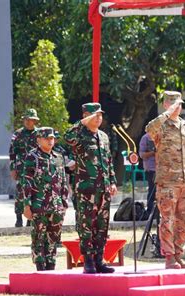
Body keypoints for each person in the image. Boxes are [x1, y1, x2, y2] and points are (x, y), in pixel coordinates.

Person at [64, 102, 117, 274]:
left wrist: (113, 181)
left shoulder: (103, 136)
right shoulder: (79, 135)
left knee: (102, 226)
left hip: (103, 189)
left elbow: (108, 161)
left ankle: (99, 260)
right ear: (86, 116)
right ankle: (87, 261)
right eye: (95, 115)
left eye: (101, 115)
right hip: (86, 189)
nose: (99, 118)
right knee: (86, 225)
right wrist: (82, 123)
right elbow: (67, 137)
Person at [145, 90, 185, 269]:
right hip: (168, 181)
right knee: (168, 220)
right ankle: (169, 257)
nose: (176, 107)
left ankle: (179, 254)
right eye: (172, 103)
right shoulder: (160, 126)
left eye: (179, 104)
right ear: (165, 104)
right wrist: (166, 114)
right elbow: (149, 129)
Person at [22, 127, 68, 271]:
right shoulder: (32, 157)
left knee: (53, 238)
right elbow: (26, 182)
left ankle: (51, 264)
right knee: (39, 238)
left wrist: (64, 202)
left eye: (52, 138)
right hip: (39, 205)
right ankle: (40, 266)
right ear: (38, 140)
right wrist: (26, 205)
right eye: (47, 138)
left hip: (56, 206)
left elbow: (63, 181)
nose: (50, 141)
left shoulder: (58, 157)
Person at [9, 108, 40, 227]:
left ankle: (30, 219)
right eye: (26, 119)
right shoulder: (18, 134)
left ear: (34, 121)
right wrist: (13, 168)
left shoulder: (39, 134)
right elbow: (12, 153)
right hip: (21, 169)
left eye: (30, 119)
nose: (28, 122)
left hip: (36, 169)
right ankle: (18, 218)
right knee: (20, 193)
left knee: (34, 192)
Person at [139, 132, 156, 217]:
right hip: (151, 168)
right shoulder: (146, 138)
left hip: (163, 168)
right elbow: (142, 155)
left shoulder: (162, 136)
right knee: (152, 190)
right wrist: (153, 153)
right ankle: (150, 212)